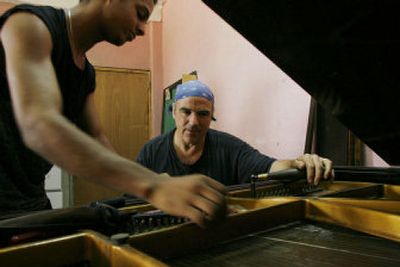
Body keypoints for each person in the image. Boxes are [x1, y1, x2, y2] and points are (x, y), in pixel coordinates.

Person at [0, 0, 226, 227]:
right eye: (140, 13)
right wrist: (151, 185)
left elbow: (96, 138)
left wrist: (156, 184)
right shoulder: (29, 25)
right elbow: (38, 125)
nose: (142, 29)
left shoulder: (86, 74)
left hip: (30, 203)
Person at [137, 80, 334, 186]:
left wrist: (298, 162)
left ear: (212, 115)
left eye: (203, 114)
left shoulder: (230, 148)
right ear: (173, 112)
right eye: (186, 112)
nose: (194, 121)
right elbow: (130, 200)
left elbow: (270, 166)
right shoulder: (151, 152)